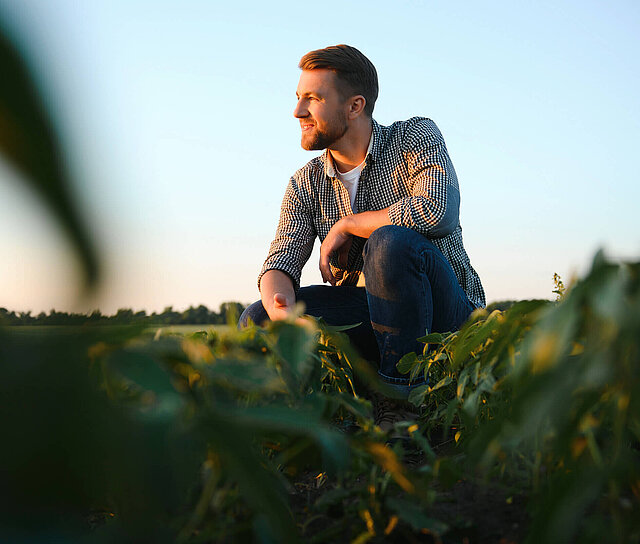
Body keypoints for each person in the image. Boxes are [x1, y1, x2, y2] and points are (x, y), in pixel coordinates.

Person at [239, 44, 485, 429]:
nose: (298, 111)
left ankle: (399, 402)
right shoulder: (305, 183)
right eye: (298, 98)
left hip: (447, 317)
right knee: (258, 316)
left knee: (389, 242)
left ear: (354, 106)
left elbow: (438, 211)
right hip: (375, 321)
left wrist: (349, 224)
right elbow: (280, 261)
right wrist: (282, 310)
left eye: (313, 99)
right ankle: (328, 411)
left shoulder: (413, 138)